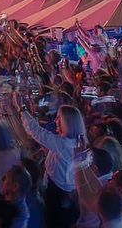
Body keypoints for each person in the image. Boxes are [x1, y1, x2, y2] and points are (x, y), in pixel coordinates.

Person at [13, 97, 87, 228]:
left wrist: (22, 109)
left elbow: (37, 132)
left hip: (58, 194)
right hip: (66, 193)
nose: (56, 121)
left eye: (59, 118)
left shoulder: (64, 144)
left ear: (68, 123)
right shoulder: (77, 142)